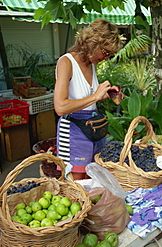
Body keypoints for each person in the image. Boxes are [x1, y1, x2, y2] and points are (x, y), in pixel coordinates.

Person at [53, 18, 122, 180]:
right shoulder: (66, 62)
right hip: (73, 132)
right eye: (105, 53)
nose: (106, 58)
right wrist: (94, 96)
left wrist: (103, 96)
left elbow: (85, 100)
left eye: (110, 55)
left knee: (93, 180)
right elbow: (60, 107)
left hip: (93, 129)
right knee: (77, 187)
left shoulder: (92, 64)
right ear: (92, 43)